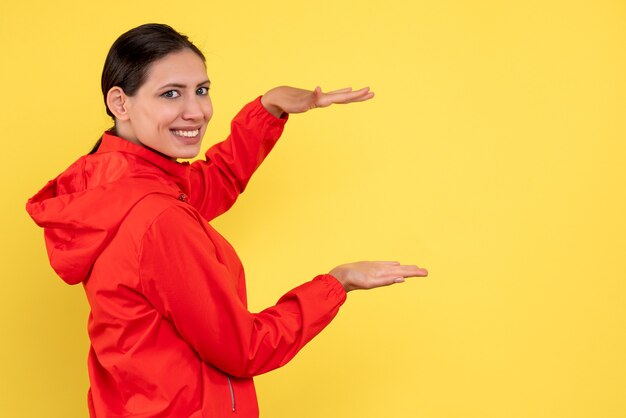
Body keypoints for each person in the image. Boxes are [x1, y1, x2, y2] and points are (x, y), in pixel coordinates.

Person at [26, 23, 428, 418]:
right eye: (171, 94)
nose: (197, 111)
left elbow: (205, 186)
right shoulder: (158, 218)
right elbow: (244, 349)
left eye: (202, 90)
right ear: (120, 103)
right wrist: (336, 283)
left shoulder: (111, 184)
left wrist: (267, 110)